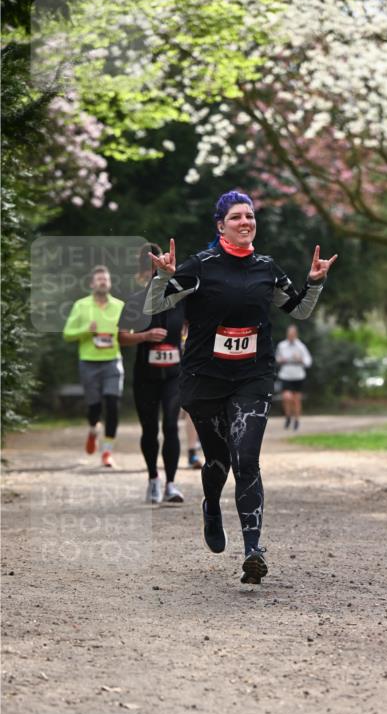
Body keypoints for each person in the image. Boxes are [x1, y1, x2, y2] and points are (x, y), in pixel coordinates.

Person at [144, 190, 337, 583]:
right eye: (236, 217)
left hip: (252, 377)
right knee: (218, 462)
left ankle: (253, 550)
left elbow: (298, 310)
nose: (245, 221)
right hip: (205, 379)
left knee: (246, 459)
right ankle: (211, 505)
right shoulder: (201, 266)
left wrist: (314, 282)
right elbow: (152, 307)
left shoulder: (267, 268)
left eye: (250, 215)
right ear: (221, 225)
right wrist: (163, 276)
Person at [118, 244, 186, 504]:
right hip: (145, 375)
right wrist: (145, 336)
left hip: (174, 376)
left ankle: (171, 484)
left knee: (170, 426)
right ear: (144, 273)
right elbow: (120, 337)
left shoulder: (180, 300)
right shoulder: (135, 301)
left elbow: (191, 326)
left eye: (160, 270)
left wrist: (185, 340)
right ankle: (153, 479)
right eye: (151, 271)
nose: (155, 275)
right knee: (149, 429)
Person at [62, 265, 125, 467]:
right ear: (92, 284)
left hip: (112, 361)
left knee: (113, 405)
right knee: (94, 408)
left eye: (105, 279)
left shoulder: (119, 306)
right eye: (99, 279)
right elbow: (67, 334)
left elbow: (128, 332)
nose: (103, 282)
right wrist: (86, 330)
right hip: (88, 362)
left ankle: (107, 452)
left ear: (110, 283)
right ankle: (92, 430)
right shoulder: (81, 305)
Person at [275, 324, 313, 430]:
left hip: (298, 376)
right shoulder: (282, 345)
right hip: (285, 374)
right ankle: (288, 416)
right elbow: (276, 358)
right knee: (286, 397)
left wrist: (301, 359)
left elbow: (308, 362)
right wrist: (280, 360)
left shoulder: (301, 346)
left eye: (292, 334)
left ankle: (296, 420)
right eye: (289, 334)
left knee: (296, 400)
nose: (290, 336)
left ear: (296, 335)